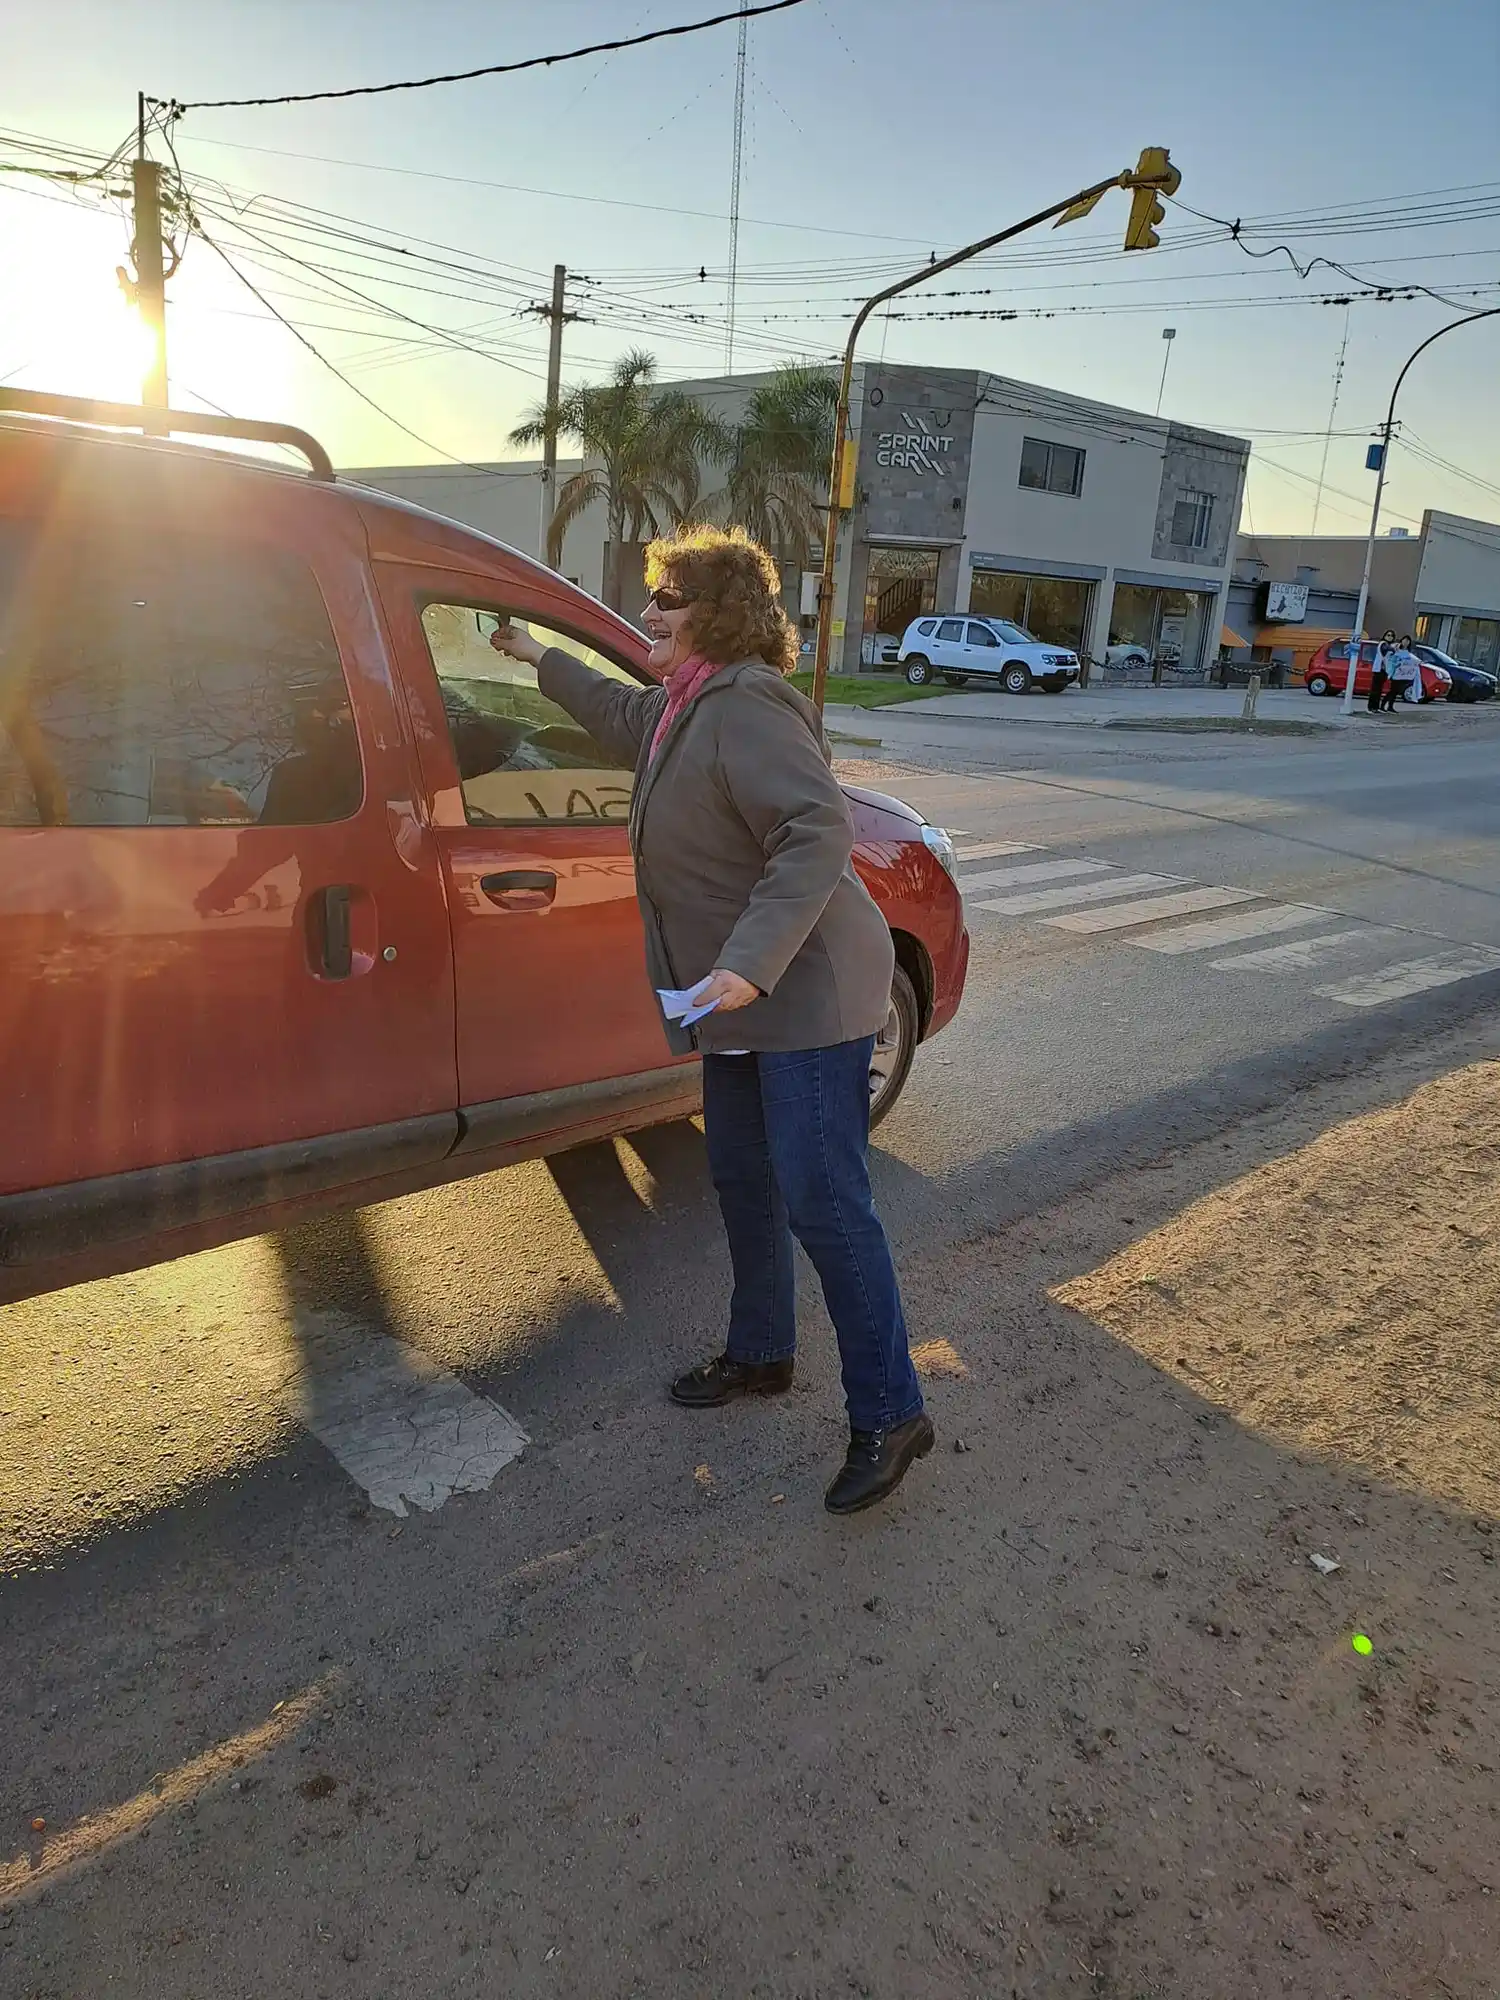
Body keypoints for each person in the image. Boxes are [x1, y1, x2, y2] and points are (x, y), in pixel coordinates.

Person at [490, 527, 932, 1515]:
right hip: (733, 994)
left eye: (670, 598)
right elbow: (617, 711)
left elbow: (816, 832)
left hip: (802, 989)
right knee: (740, 1174)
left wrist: (747, 962)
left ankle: (892, 1410)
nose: (649, 611)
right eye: (654, 594)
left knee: (825, 1201)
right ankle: (764, 1349)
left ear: (720, 615)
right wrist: (536, 655)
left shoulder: (751, 704)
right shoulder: (684, 703)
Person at [1382, 635, 1421, 712]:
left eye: (1407, 641)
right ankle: (1383, 705)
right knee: (1392, 690)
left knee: (1396, 691)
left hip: (1402, 675)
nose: (1406, 642)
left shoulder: (1408, 652)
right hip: (1395, 673)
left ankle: (1390, 706)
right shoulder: (1396, 649)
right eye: (1404, 640)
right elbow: (1391, 659)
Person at [1367, 630, 1396, 714]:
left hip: (1384, 670)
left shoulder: (1389, 645)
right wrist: (1394, 649)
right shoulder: (1383, 644)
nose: (1390, 637)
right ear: (1384, 636)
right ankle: (1371, 707)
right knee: (1375, 690)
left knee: (1379, 690)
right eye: (1388, 635)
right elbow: (1386, 648)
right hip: (1378, 670)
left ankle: (1376, 707)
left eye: (1392, 636)